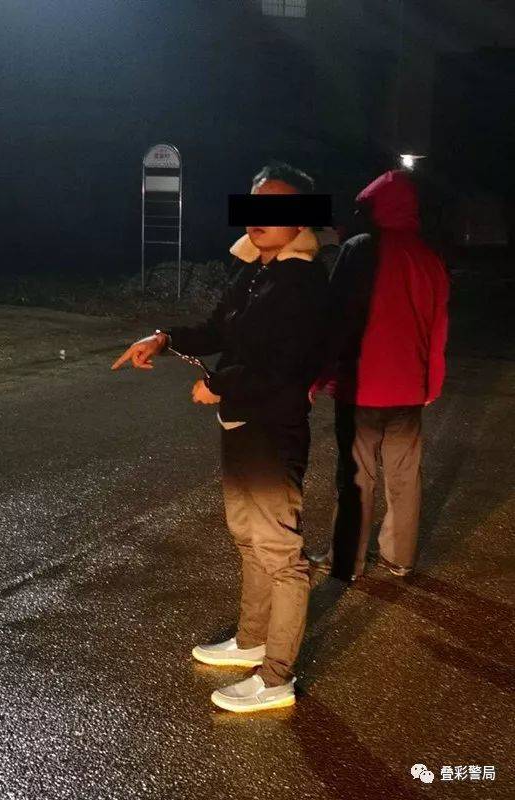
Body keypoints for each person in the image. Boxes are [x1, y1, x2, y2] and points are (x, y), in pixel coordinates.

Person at [112, 162, 329, 712]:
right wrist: (164, 337)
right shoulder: (255, 269)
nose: (259, 217)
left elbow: (286, 363)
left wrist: (218, 384)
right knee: (247, 537)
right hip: (241, 422)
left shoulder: (303, 281)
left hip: (273, 428)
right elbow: (217, 330)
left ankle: (276, 677)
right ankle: (251, 640)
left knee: (280, 553)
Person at [309, 169, 450, 582]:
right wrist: (432, 383)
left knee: (357, 476)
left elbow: (336, 319)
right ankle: (399, 556)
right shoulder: (429, 258)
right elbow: (438, 327)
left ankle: (347, 560)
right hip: (409, 390)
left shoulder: (359, 250)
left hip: (361, 387)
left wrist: (316, 377)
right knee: (405, 476)